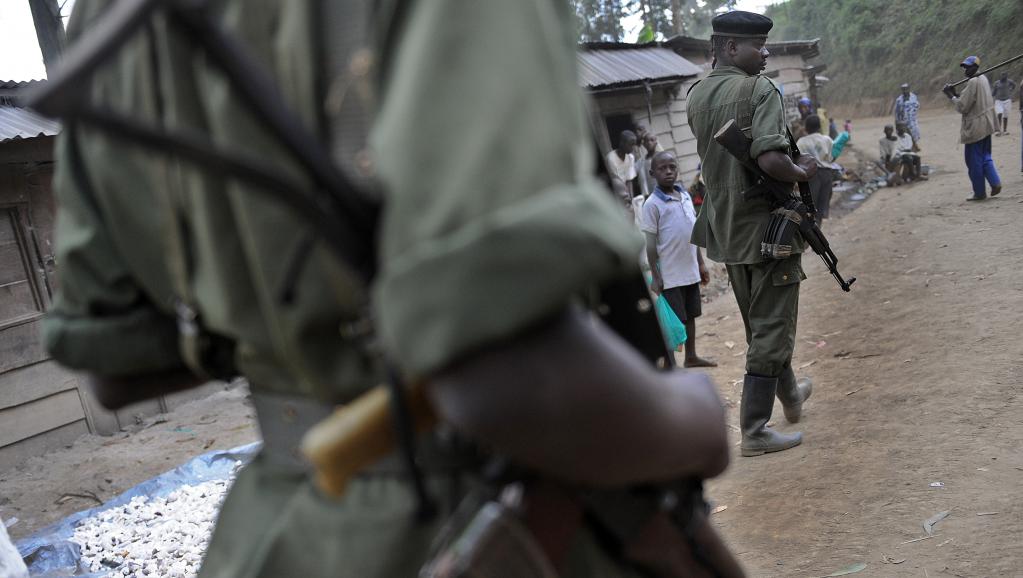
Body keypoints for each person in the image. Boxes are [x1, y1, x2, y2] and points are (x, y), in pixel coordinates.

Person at [43, 2, 733, 577]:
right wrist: (689, 423)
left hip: (280, 534)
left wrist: (285, 313)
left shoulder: (105, 17)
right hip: (492, 527)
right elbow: (502, 374)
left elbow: (115, 367)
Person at [687, 11, 815, 458]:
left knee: (761, 323)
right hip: (767, 229)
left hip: (727, 230)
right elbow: (771, 161)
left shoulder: (696, 95)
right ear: (729, 48)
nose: (765, 54)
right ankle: (756, 430)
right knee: (772, 327)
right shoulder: (760, 89)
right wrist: (805, 171)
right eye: (758, 46)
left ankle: (792, 397)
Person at [642, 151, 717, 369]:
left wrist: (701, 263)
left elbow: (691, 233)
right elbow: (650, 244)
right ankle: (670, 364)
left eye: (672, 167)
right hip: (670, 274)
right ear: (652, 173)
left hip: (690, 269)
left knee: (691, 315)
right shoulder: (652, 204)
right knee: (673, 322)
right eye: (662, 168)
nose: (668, 172)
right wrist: (656, 277)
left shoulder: (684, 196)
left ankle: (691, 356)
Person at [944, 56, 1002, 201]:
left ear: (976, 67)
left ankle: (979, 192)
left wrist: (950, 96)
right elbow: (969, 99)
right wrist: (956, 93)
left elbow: (963, 107)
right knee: (985, 156)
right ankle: (995, 182)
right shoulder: (982, 79)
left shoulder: (973, 82)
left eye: (968, 66)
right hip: (987, 124)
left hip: (976, 127)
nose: (965, 69)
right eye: (964, 66)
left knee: (973, 161)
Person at [796, 115, 838, 223]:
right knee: (821, 207)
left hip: (810, 176)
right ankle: (818, 230)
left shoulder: (801, 142)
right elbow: (831, 158)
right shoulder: (827, 140)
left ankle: (810, 234)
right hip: (826, 175)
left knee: (810, 208)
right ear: (819, 127)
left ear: (806, 128)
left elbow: (797, 160)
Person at [606, 130, 639, 196]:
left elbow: (629, 180)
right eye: (630, 145)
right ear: (622, 143)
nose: (633, 148)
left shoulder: (630, 157)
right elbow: (615, 182)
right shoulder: (611, 158)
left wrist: (631, 197)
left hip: (625, 192)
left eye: (634, 145)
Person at [639, 131, 660, 198]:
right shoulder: (642, 161)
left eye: (652, 140)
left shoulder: (661, 157)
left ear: (656, 142)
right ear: (644, 144)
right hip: (650, 194)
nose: (649, 143)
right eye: (647, 141)